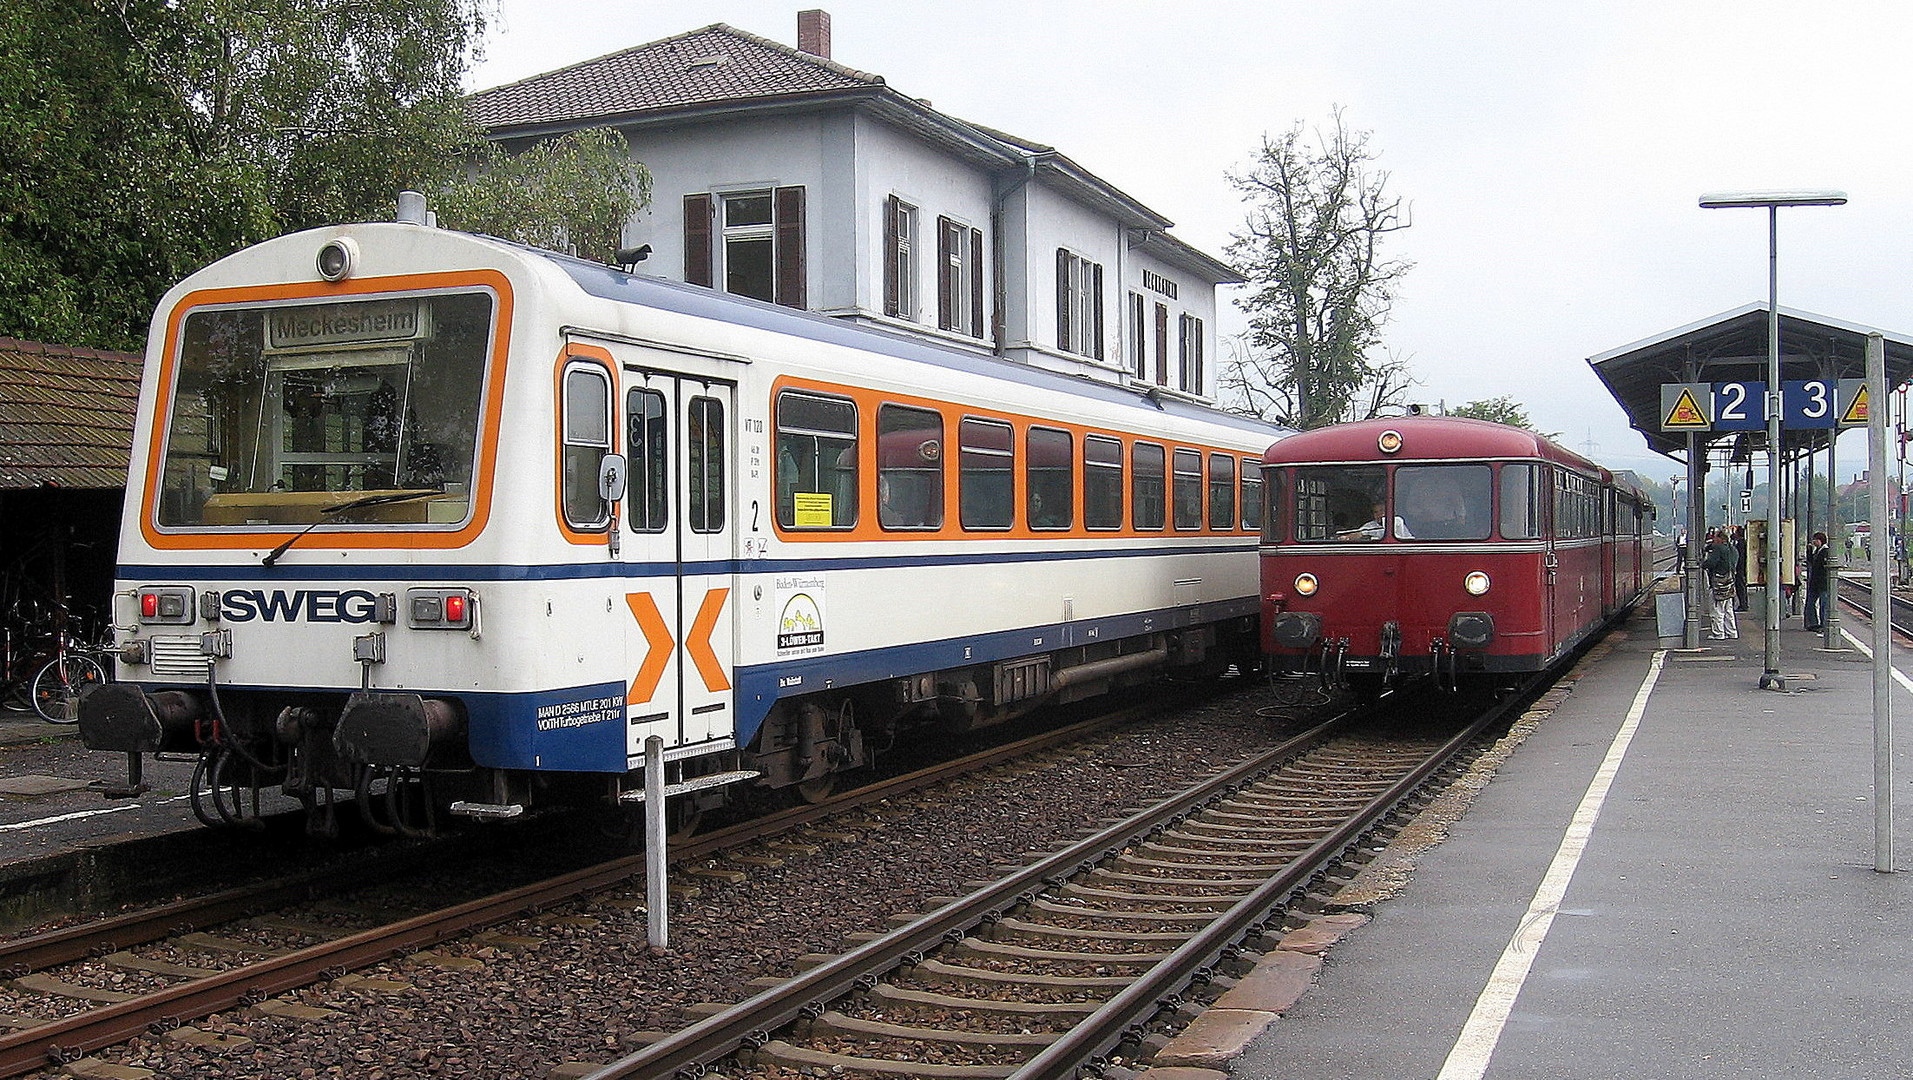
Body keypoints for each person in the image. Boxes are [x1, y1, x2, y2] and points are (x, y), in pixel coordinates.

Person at [1703, 527, 1739, 640]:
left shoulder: (1718, 549)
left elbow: (1711, 563)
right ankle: (1732, 632)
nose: (1713, 540)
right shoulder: (1733, 549)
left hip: (1719, 583)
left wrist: (1703, 564)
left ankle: (1718, 633)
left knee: (1717, 609)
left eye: (1715, 538)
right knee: (1728, 609)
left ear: (1719, 539)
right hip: (1730, 581)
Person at [1338, 499, 1413, 540]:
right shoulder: (1370, 525)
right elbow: (1358, 533)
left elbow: (1384, 533)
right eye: (1376, 512)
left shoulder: (1397, 521)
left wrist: (1365, 533)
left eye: (1381, 510)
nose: (1379, 514)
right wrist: (1347, 537)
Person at [1802, 531, 1831, 632]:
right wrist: (1809, 551)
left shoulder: (1825, 551)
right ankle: (1813, 623)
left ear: (1821, 541)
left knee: (1824, 605)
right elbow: (1811, 563)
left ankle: (1823, 624)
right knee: (1810, 604)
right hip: (1815, 583)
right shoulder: (1817, 551)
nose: (1814, 542)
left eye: (1816, 540)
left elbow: (1819, 566)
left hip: (1822, 583)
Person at [1730, 525, 1748, 612]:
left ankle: (1743, 604)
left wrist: (1736, 568)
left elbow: (1740, 557)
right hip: (1742, 568)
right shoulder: (1743, 543)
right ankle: (1743, 603)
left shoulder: (1740, 544)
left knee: (1740, 586)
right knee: (1741, 586)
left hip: (1740, 568)